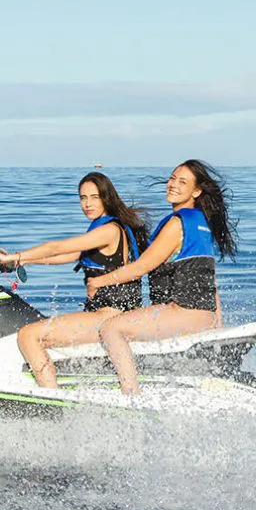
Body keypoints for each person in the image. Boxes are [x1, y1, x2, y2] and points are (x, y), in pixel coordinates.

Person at [86, 159, 236, 395]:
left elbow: (142, 266)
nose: (173, 184)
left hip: (183, 311)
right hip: (201, 314)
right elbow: (209, 279)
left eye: (182, 181)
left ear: (197, 191)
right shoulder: (201, 223)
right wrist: (217, 318)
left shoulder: (177, 223)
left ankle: (130, 394)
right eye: (172, 178)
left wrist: (99, 281)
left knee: (112, 329)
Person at [0, 172, 149, 388]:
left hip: (111, 315)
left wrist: (15, 256)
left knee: (29, 334)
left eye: (94, 197)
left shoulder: (109, 230)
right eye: (83, 198)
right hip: (106, 313)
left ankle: (51, 399)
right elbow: (68, 256)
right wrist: (26, 262)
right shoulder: (106, 227)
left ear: (107, 198)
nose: (87, 204)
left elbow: (58, 246)